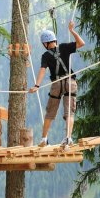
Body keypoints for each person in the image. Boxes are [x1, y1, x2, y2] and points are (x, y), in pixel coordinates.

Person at [29, 20, 85, 148]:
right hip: (70, 82)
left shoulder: (45, 55)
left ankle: (44, 138)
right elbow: (82, 43)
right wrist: (72, 31)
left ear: (45, 43)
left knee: (50, 112)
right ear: (54, 40)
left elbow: (42, 70)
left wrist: (37, 86)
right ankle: (68, 138)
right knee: (69, 112)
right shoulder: (65, 47)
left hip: (57, 84)